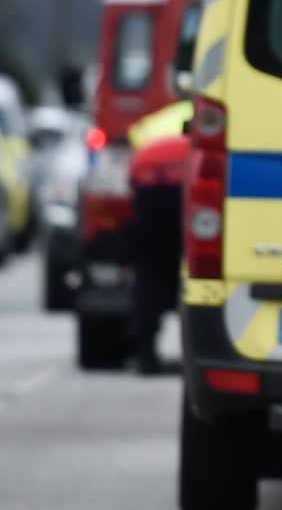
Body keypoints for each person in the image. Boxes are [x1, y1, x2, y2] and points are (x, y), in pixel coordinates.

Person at [125, 100, 192, 374]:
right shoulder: (202, 111)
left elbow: (133, 151)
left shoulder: (153, 122)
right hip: (184, 187)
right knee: (189, 268)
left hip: (149, 189)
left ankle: (145, 350)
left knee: (150, 272)